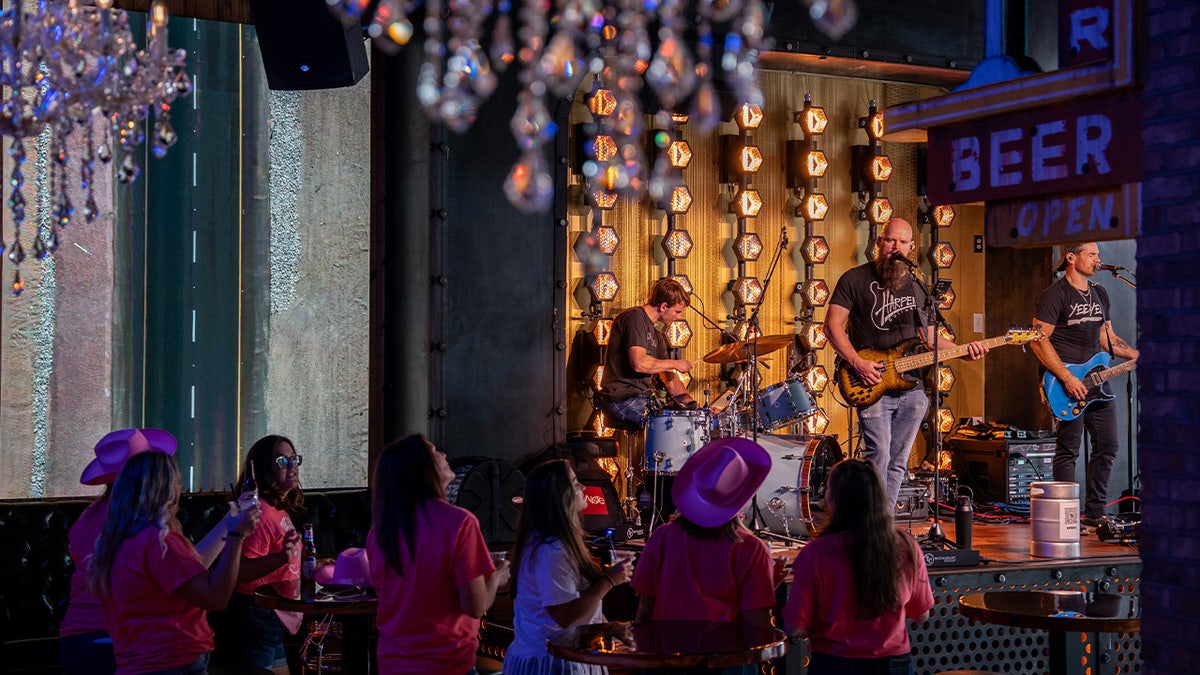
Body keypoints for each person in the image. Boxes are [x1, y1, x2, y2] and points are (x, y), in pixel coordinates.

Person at [824, 217, 988, 509]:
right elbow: (832, 325)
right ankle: (865, 522)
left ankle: (882, 525)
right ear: (879, 242)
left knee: (899, 462)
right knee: (879, 456)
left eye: (902, 242)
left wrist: (964, 351)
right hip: (871, 382)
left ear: (911, 248)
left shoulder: (916, 285)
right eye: (890, 240)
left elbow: (930, 337)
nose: (895, 247)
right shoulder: (854, 279)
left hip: (912, 386)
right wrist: (857, 361)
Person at [87, 449, 260, 674]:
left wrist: (230, 524)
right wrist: (237, 537)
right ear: (164, 490)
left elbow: (192, 571)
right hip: (174, 661)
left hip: (135, 663)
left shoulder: (116, 541)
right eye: (177, 483)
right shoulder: (159, 541)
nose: (179, 489)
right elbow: (216, 597)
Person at [630, 437, 778, 675]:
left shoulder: (662, 537)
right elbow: (757, 627)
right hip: (725, 662)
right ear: (743, 495)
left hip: (666, 659)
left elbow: (644, 612)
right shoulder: (751, 549)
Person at [367, 435, 510, 675]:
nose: (444, 455)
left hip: (393, 662)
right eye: (434, 451)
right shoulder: (459, 522)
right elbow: (475, 606)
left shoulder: (380, 530)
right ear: (420, 469)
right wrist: (496, 576)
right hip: (445, 664)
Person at [782, 458, 933, 675]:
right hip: (893, 663)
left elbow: (795, 628)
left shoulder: (815, 554)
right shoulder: (906, 547)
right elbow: (922, 615)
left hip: (833, 663)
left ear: (833, 500)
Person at [1030, 242, 1139, 527]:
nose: (1097, 260)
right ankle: (1066, 516)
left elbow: (1108, 339)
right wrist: (1067, 378)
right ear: (1071, 257)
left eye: (1097, 254)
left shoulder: (1100, 294)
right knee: (1069, 449)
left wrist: (1136, 354)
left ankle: (1095, 512)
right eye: (1091, 254)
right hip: (1065, 382)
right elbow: (1037, 340)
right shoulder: (1055, 295)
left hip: (1097, 381)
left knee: (1108, 445)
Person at [60, 428, 185, 675]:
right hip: (120, 638)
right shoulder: (140, 521)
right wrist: (230, 532)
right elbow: (188, 580)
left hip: (75, 638)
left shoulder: (89, 515)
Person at [503, 459, 633, 675]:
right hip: (552, 663)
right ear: (560, 496)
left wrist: (609, 627)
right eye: (575, 483)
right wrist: (609, 580)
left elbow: (579, 600)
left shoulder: (552, 543)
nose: (583, 487)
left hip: (562, 655)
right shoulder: (553, 551)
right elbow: (565, 616)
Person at [225, 435, 305, 673]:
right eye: (282, 461)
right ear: (264, 468)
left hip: (275, 614)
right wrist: (281, 558)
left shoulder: (278, 510)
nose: (292, 467)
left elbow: (285, 559)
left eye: (294, 459)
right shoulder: (259, 514)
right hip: (258, 612)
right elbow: (238, 571)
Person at [598, 277, 696, 428]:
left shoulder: (657, 336)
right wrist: (676, 363)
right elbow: (639, 363)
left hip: (644, 398)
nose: (679, 317)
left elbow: (669, 379)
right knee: (668, 427)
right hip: (620, 399)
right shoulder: (634, 317)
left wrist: (695, 407)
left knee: (684, 423)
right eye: (677, 312)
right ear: (664, 306)